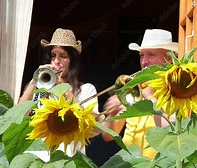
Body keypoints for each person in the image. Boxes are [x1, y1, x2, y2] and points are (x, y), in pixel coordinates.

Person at [19, 28, 104, 161]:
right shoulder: (38, 88)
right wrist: (32, 82)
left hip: (69, 160)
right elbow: (18, 116)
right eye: (53, 56)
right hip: (37, 159)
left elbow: (92, 124)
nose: (56, 61)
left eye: (63, 56)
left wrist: (62, 87)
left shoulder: (87, 89)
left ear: (73, 62)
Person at [101, 29, 178, 160]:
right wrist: (112, 115)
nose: (144, 62)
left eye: (151, 55)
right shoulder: (135, 89)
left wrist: (150, 97)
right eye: (142, 55)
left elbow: (171, 132)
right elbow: (108, 136)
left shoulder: (177, 89)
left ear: (169, 58)